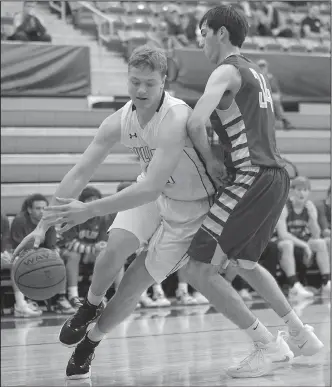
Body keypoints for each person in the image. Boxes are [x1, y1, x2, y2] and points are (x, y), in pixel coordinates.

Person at [13, 44, 314, 381]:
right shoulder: (120, 119)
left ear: (164, 83)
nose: (140, 90)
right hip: (152, 192)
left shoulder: (176, 117)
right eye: (134, 82)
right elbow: (81, 171)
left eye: (149, 84)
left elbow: (151, 187)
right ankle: (90, 303)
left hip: (190, 206)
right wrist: (44, 222)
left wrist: (89, 209)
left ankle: (91, 341)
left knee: (133, 282)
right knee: (114, 247)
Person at [11, 194, 74, 314]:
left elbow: (51, 245)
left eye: (44, 208)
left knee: (57, 259)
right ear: (29, 210)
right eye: (37, 208)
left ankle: (61, 298)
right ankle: (20, 304)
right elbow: (18, 246)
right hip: (22, 253)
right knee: (16, 263)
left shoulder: (48, 220)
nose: (41, 211)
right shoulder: (20, 221)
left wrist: (51, 254)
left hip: (41, 253)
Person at [57, 186, 112, 309]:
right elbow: (69, 243)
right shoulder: (72, 215)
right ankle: (73, 295)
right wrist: (93, 248)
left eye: (96, 199)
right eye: (89, 199)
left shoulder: (103, 218)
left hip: (87, 252)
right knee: (74, 255)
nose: (93, 202)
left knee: (106, 255)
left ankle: (98, 295)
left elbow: (102, 242)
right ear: (82, 202)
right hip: (63, 250)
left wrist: (101, 247)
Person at [277, 177, 330, 296]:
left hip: (301, 241)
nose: (302, 193)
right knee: (287, 244)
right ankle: (294, 285)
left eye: (305, 190)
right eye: (299, 189)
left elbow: (316, 235)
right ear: (292, 191)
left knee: (321, 243)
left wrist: (313, 218)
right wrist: (305, 245)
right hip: (281, 242)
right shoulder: (284, 207)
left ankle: (326, 283)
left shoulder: (309, 207)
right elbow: (282, 234)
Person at [1, 212, 42, 317]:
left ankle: (20, 305)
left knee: (16, 262)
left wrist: (5, 252)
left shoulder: (3, 218)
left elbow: (5, 242)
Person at [257, 59, 294, 131]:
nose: (262, 68)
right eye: (260, 66)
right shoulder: (255, 76)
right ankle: (284, 121)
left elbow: (276, 90)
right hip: (259, 96)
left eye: (263, 66)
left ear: (266, 67)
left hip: (268, 97)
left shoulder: (271, 77)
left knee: (275, 100)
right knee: (273, 101)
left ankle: (284, 121)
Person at [315, 185, 331, 256]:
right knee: (328, 241)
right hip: (318, 237)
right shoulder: (320, 206)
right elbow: (325, 232)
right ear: (330, 194)